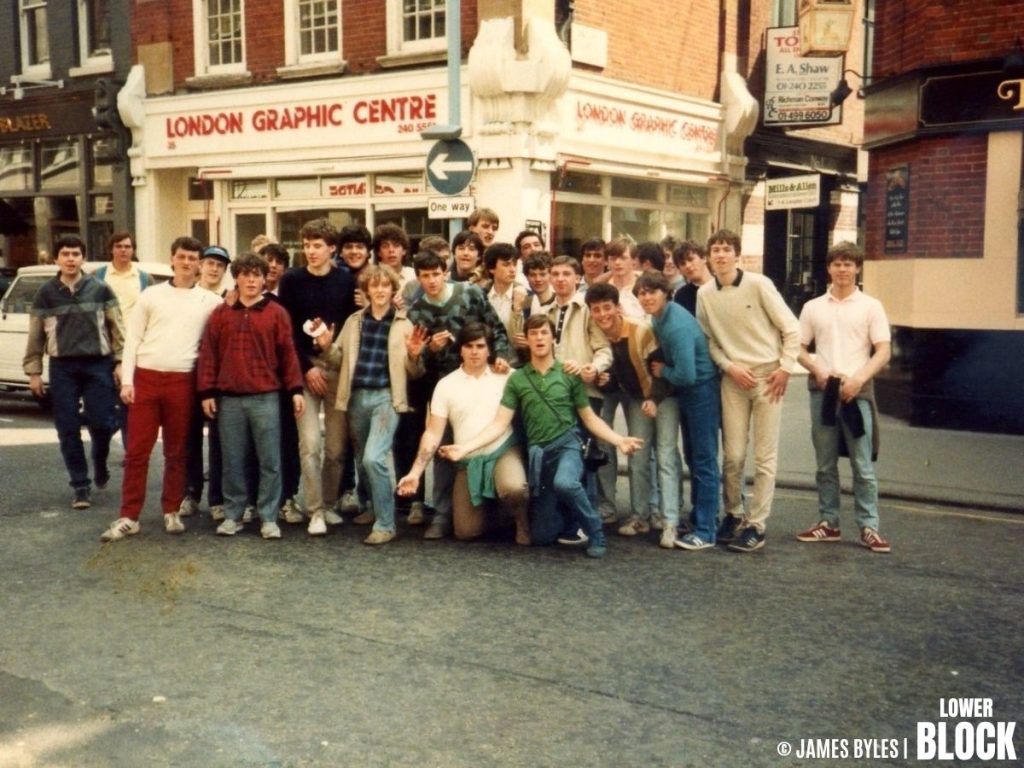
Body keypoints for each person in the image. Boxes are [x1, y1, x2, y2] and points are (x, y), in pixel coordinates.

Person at [440, 315, 643, 558]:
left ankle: (595, 530)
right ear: (526, 340)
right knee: (542, 536)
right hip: (539, 456)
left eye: (544, 333)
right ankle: (565, 513)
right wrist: (464, 449)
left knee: (565, 482)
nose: (539, 338)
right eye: (533, 333)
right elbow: (499, 424)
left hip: (567, 446)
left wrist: (619, 440)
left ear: (552, 339)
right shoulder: (517, 379)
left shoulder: (569, 373)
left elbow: (589, 418)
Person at [100, 236, 221, 541]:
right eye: (182, 257)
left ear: (200, 265)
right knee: (138, 451)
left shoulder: (211, 301)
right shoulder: (151, 295)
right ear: (172, 259)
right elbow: (133, 341)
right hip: (146, 379)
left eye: (193, 259)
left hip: (183, 381)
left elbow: (223, 329)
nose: (187, 263)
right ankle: (129, 516)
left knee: (177, 451)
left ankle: (171, 510)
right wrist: (127, 380)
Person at [696, 229, 800, 553]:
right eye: (715, 250)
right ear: (709, 257)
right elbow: (709, 341)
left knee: (764, 457)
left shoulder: (759, 284)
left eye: (727, 249)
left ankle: (757, 524)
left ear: (736, 254)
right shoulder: (705, 294)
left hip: (769, 376)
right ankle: (734, 513)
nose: (721, 255)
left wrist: (785, 367)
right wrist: (729, 367)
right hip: (734, 379)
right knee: (733, 455)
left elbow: (791, 327)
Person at [197, 253, 305, 540]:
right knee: (233, 460)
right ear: (237, 279)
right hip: (229, 399)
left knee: (270, 459)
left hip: (266, 398)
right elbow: (209, 354)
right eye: (245, 275)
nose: (251, 280)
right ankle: (233, 515)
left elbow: (288, 354)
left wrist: (295, 389)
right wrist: (206, 391)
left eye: (257, 275)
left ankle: (269, 516)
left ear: (264, 279)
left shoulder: (276, 313)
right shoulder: (221, 313)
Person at [405, 250, 513, 538]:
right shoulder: (416, 312)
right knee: (443, 448)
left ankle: (500, 504)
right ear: (418, 278)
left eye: (436, 274)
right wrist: (430, 350)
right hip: (445, 388)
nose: (431, 281)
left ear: (446, 272)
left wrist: (501, 354)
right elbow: (419, 365)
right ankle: (442, 514)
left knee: (490, 438)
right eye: (425, 276)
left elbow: (497, 330)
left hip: (483, 382)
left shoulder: (470, 294)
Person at [795, 242, 892, 554]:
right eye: (837, 263)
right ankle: (829, 523)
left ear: (858, 268)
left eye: (849, 264)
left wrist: (859, 379)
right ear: (828, 267)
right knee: (825, 464)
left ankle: (869, 527)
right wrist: (817, 369)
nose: (842, 270)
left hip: (856, 393)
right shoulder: (813, 307)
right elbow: (798, 348)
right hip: (823, 392)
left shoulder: (871, 307)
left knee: (862, 465)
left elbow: (883, 351)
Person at [398, 323, 530, 544]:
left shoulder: (507, 376)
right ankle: (497, 512)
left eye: (480, 346)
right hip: (468, 462)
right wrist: (415, 473)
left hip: (503, 451)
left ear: (489, 349)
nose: (475, 352)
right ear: (460, 349)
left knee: (514, 488)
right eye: (469, 346)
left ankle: (522, 520)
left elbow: (534, 380)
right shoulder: (446, 385)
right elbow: (432, 433)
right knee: (465, 532)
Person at [323, 264, 426, 544]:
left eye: (385, 285)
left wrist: (415, 356)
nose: (380, 290)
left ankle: (386, 523)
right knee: (360, 458)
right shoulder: (354, 321)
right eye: (374, 285)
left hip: (386, 398)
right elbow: (336, 360)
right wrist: (325, 346)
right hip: (357, 397)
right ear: (366, 290)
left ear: (393, 289)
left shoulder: (405, 323)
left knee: (373, 457)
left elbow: (415, 373)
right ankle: (370, 506)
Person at [24, 234, 124, 509]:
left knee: (103, 424)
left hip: (98, 364)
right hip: (63, 367)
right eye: (65, 254)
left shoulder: (101, 289)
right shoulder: (45, 293)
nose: (70, 259)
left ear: (83, 258)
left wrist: (119, 361)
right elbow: (35, 336)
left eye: (75, 254)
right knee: (67, 428)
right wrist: (33, 371)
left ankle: (100, 461)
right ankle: (80, 485)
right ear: (56, 259)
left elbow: (117, 329)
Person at [584, 282, 681, 549]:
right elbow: (621, 377)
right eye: (596, 310)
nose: (603, 314)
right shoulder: (606, 338)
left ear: (618, 307)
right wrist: (607, 381)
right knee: (637, 455)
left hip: (664, 397)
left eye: (607, 308)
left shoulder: (640, 329)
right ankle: (640, 516)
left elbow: (662, 366)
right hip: (639, 398)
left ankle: (670, 520)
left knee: (665, 455)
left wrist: (655, 398)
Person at [276, 218, 356, 536]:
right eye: (306, 245)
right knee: (309, 444)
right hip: (304, 366)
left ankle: (330, 501)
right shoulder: (292, 280)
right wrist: (305, 368)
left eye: (317, 245)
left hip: (336, 366)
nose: (310, 251)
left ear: (331, 248)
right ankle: (315, 510)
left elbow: (353, 326)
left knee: (336, 448)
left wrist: (332, 353)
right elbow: (287, 330)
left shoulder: (346, 281)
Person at [635, 271, 722, 551]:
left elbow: (685, 373)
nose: (647, 297)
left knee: (704, 459)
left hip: (700, 389)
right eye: (642, 293)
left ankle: (706, 531)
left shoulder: (676, 325)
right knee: (693, 457)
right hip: (688, 390)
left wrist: (663, 370)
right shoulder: (660, 317)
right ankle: (700, 518)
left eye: (653, 292)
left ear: (666, 293)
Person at [180, 245, 234, 523]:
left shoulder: (229, 301)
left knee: (218, 441)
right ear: (200, 265)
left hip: (217, 379)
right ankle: (190, 494)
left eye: (220, 266)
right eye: (210, 263)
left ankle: (217, 498)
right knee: (189, 439)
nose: (214, 269)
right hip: (189, 373)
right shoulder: (187, 296)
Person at [257, 242, 303, 523]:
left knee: (287, 442)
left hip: (283, 382)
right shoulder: (238, 298)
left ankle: (288, 497)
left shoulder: (290, 299)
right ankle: (257, 500)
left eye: (278, 262)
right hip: (256, 384)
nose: (272, 266)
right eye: (267, 260)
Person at [94, 231, 151, 450]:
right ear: (111, 249)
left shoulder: (144, 278)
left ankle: (130, 452)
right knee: (103, 405)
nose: (124, 250)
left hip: (135, 347)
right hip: (105, 348)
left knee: (130, 403)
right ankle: (102, 445)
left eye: (128, 246)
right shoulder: (99, 276)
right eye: (119, 246)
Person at [482, 242, 527, 346]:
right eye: (506, 264)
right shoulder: (482, 296)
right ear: (492, 268)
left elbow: (518, 339)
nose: (512, 270)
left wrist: (517, 308)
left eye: (515, 264)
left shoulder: (527, 297)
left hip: (518, 359)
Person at [671, 240, 712, 316]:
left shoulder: (722, 284)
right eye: (683, 264)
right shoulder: (681, 296)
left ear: (703, 258)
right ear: (680, 270)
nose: (688, 266)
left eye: (691, 259)